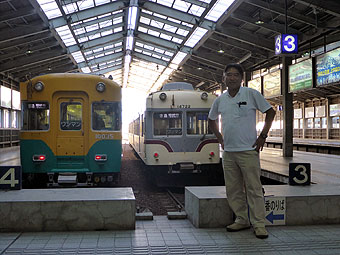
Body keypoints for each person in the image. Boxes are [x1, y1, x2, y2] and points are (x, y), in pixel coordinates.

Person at [208, 63, 276, 239]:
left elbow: (270, 112)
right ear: (223, 78)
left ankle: (259, 224)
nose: (231, 78)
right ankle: (241, 219)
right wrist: (220, 138)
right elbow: (211, 120)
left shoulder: (251, 94)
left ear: (241, 78)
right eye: (228, 75)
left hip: (248, 151)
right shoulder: (220, 100)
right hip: (229, 152)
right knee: (233, 189)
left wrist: (263, 136)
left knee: (254, 188)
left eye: (235, 75)